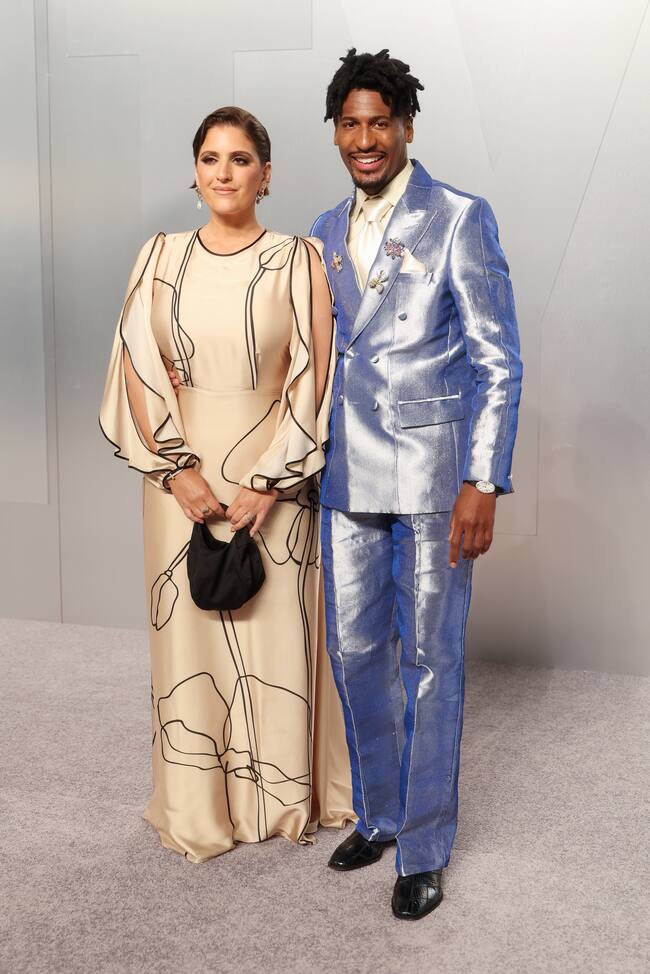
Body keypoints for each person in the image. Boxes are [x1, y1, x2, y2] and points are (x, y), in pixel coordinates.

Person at [99, 106, 353, 862]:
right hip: (179, 477)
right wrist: (177, 470)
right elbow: (138, 367)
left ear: (266, 175)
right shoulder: (159, 255)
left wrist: (268, 482)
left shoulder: (298, 256)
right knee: (190, 639)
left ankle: (278, 801)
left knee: (277, 637)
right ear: (195, 170)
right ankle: (197, 805)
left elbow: (316, 374)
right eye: (211, 157)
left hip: (277, 470)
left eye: (241, 159)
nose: (224, 172)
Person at [310, 50, 523, 919]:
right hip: (346, 472)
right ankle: (381, 812)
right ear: (338, 133)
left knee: (432, 660)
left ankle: (426, 844)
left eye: (379, 122)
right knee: (356, 653)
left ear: (406, 126)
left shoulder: (461, 217)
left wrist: (484, 478)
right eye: (350, 124)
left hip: (436, 478)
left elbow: (497, 359)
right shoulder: (322, 230)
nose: (365, 138)